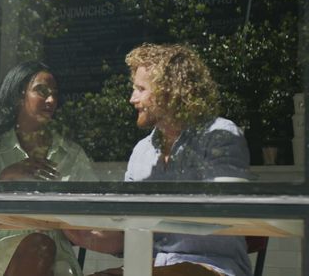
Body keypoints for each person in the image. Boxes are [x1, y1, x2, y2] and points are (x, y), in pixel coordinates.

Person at [64, 43, 252, 276]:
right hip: (150, 267)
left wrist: (144, 216)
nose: (132, 99)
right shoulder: (141, 152)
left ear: (170, 90)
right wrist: (77, 230)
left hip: (213, 265)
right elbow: (125, 235)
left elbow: (224, 212)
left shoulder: (219, 135)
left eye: (141, 89)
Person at [0, 61, 99, 276]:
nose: (51, 100)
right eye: (41, 91)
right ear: (19, 96)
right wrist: (5, 180)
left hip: (58, 265)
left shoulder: (72, 155)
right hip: (0, 265)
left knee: (42, 246)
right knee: (38, 246)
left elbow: (94, 221)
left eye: (55, 93)